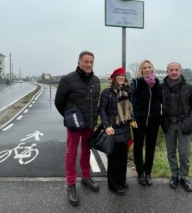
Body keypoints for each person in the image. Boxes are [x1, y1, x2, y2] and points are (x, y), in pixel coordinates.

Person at [54, 51, 101, 206]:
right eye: (85, 61)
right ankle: (71, 185)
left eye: (91, 62)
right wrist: (69, 117)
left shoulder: (96, 80)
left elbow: (96, 102)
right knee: (71, 153)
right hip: (75, 124)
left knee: (87, 151)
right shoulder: (68, 80)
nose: (88, 64)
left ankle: (86, 178)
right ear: (79, 62)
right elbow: (59, 102)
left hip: (90, 123)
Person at [160, 62, 192, 192]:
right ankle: (174, 175)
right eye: (171, 70)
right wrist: (161, 120)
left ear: (180, 71)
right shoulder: (162, 87)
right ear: (167, 72)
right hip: (169, 125)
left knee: (184, 153)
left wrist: (190, 120)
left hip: (184, 125)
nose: (174, 72)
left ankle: (184, 177)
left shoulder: (188, 87)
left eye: (176, 70)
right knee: (171, 152)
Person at [99, 67, 136, 196]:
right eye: (118, 75)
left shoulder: (126, 92)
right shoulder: (107, 92)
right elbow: (102, 110)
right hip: (113, 130)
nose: (121, 77)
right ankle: (113, 185)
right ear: (114, 77)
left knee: (123, 158)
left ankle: (121, 180)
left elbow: (129, 110)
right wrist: (106, 126)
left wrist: (132, 119)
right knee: (114, 160)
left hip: (125, 130)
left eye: (123, 76)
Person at [130, 59, 162, 186]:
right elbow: (129, 100)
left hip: (154, 121)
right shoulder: (136, 83)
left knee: (151, 147)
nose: (147, 69)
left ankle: (148, 172)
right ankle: (140, 172)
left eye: (149, 67)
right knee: (138, 147)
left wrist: (160, 118)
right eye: (144, 68)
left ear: (152, 69)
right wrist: (131, 118)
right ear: (141, 70)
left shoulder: (157, 83)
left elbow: (160, 101)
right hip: (138, 121)